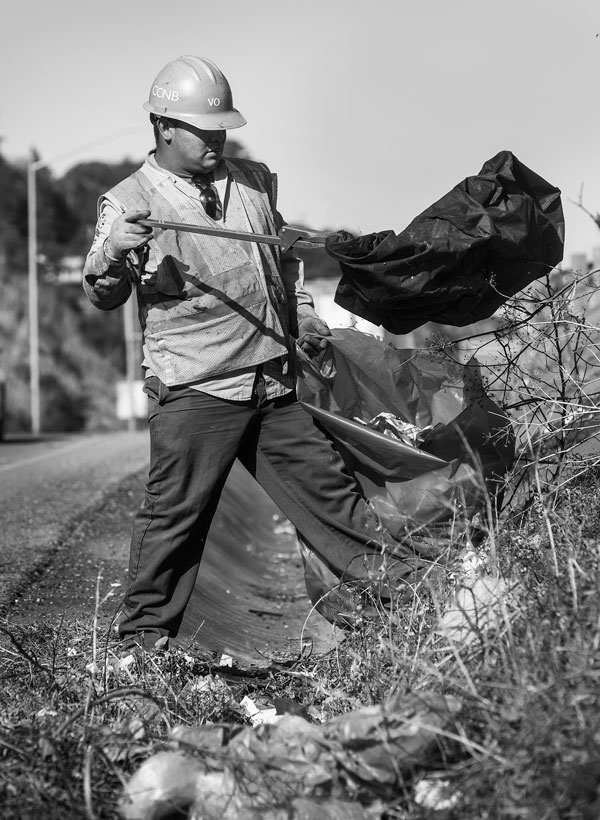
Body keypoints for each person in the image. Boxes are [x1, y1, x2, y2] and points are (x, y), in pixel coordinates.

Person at [83, 55, 425, 651]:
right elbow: (103, 293)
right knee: (175, 521)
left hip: (271, 382)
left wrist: (307, 316)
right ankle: (138, 649)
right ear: (164, 126)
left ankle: (417, 606)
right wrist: (114, 252)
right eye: (203, 129)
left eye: (222, 128)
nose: (218, 138)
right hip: (197, 388)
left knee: (333, 503)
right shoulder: (127, 201)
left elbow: (283, 264)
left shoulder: (255, 182)